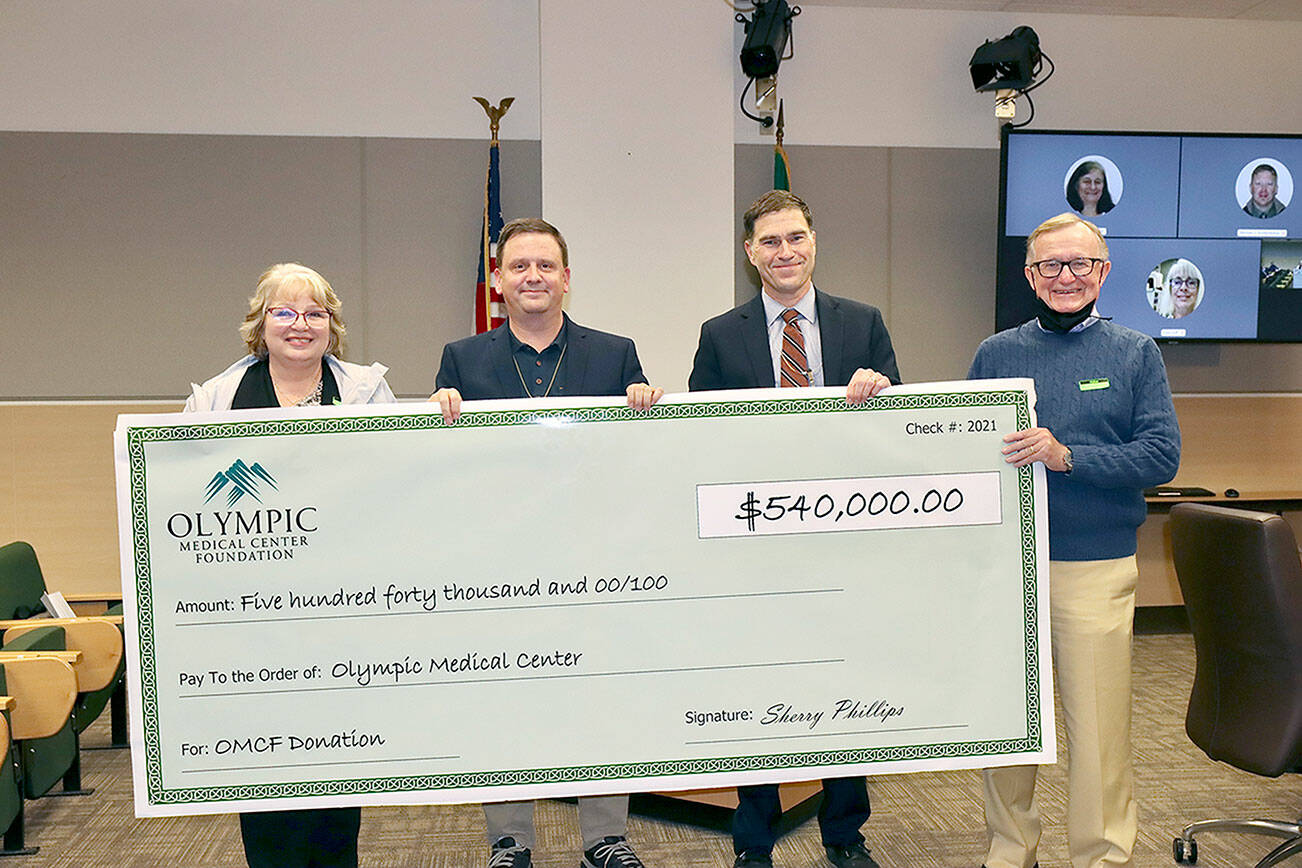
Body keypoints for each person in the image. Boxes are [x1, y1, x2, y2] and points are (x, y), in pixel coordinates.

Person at [429, 217, 661, 868]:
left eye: (545, 266)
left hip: (595, 562)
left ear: (566, 278)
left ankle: (606, 838)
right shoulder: (462, 360)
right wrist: (436, 414)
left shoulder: (616, 355)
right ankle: (510, 841)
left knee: (601, 694)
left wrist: (643, 405)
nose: (532, 277)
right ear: (499, 281)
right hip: (498, 566)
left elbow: (638, 461)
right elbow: (445, 469)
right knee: (503, 697)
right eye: (519, 266)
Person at [688, 189, 899, 868]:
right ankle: (754, 837)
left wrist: (884, 396)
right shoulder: (720, 335)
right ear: (750, 253)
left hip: (844, 543)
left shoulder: (862, 323)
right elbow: (701, 438)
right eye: (770, 242)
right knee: (759, 691)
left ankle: (845, 834)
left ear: (815, 241)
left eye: (796, 237)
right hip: (757, 549)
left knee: (846, 687)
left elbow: (898, 432)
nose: (786, 252)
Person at [968, 213, 1180, 868]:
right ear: (1030, 277)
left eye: (1080, 264)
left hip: (1093, 566)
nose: (1066, 276)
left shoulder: (1135, 353)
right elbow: (964, 452)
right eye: (1050, 266)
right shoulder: (995, 353)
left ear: (1104, 271)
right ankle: (1011, 850)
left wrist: (1068, 456)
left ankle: (1102, 855)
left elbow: (1161, 457)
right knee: (1008, 728)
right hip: (1006, 570)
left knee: (1097, 733)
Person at [185, 262, 396, 868]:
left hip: (339, 611)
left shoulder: (366, 393)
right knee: (266, 761)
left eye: (314, 313)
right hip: (254, 619)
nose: (299, 324)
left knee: (336, 760)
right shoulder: (215, 400)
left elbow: (390, 487)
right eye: (284, 311)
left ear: (332, 326)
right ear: (260, 323)